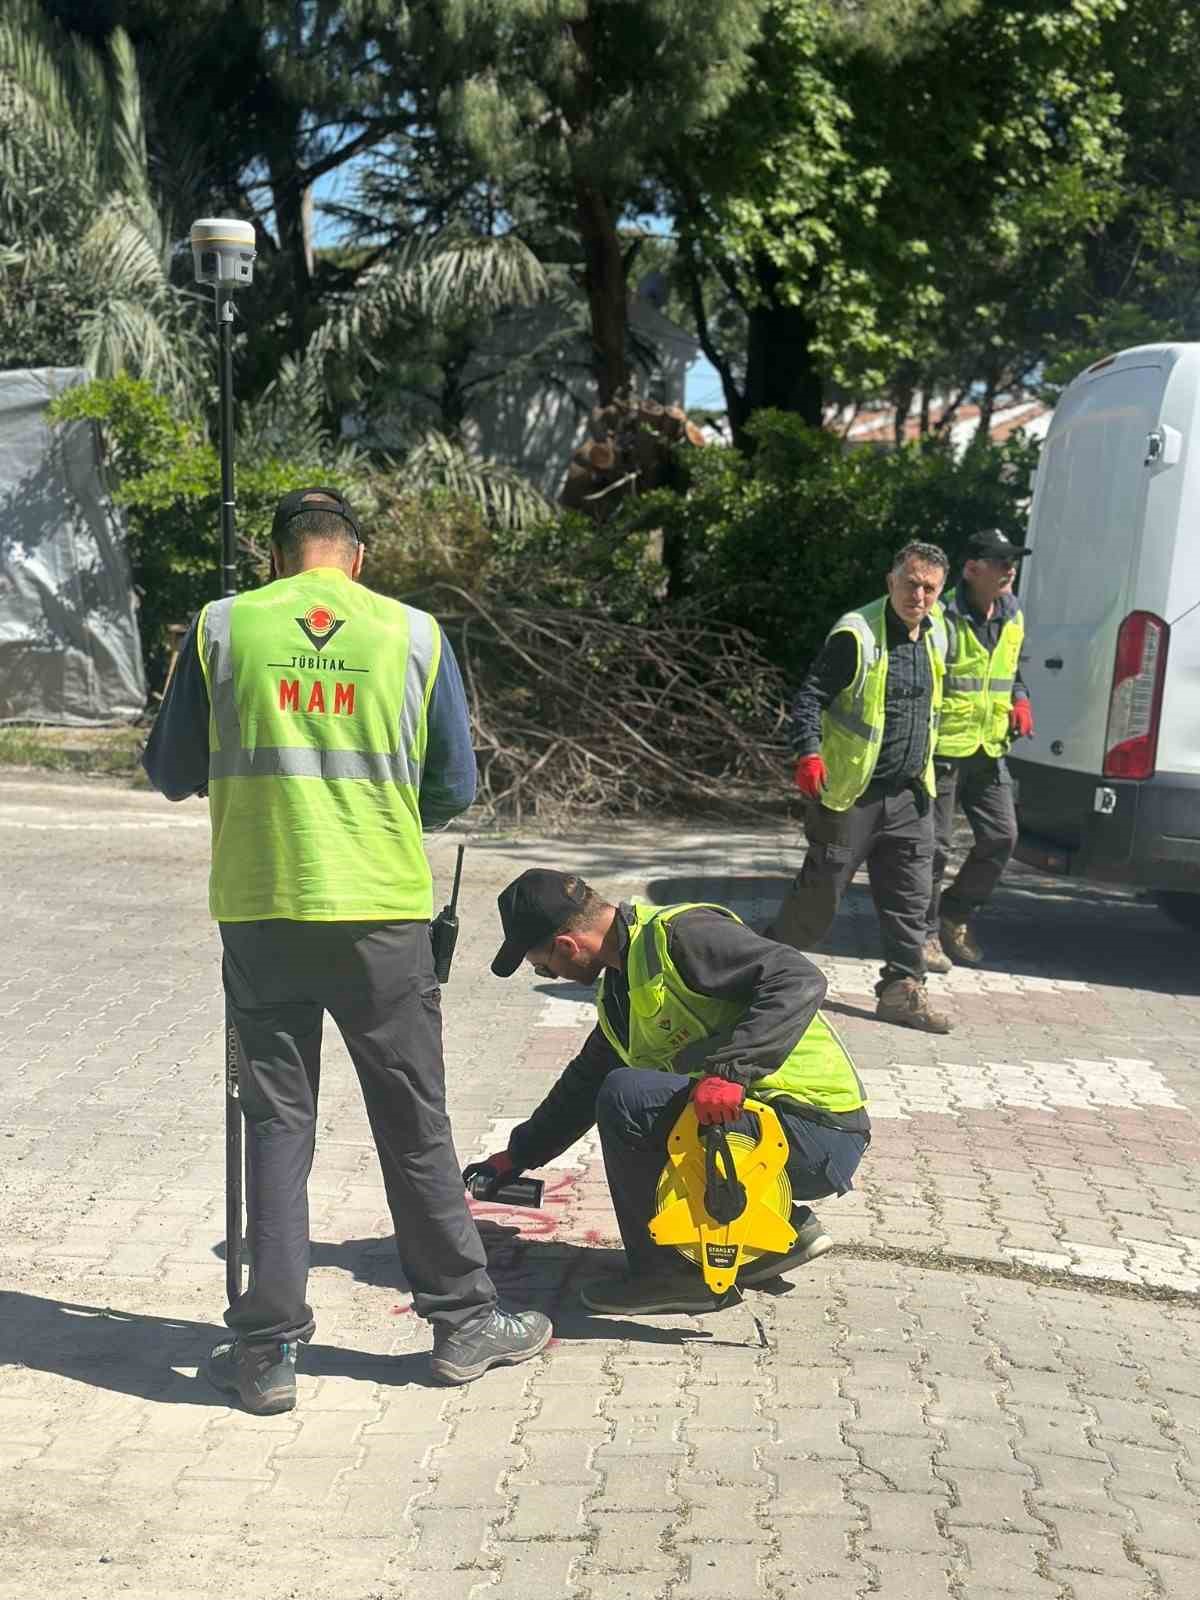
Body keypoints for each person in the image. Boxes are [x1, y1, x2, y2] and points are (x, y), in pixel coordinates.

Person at [142, 486, 549, 1414]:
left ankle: (267, 1351)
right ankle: (461, 1325)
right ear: (356, 560)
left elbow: (170, 772)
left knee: (276, 1124)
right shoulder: (412, 635)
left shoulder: (221, 626)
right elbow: (452, 783)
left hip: (262, 913)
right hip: (381, 916)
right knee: (414, 1120)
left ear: (279, 560)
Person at [465, 869, 870, 1316]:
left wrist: (732, 1072)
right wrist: (519, 1154)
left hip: (815, 1130)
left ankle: (672, 1275)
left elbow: (797, 977)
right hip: (762, 1130)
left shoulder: (681, 936)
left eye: (542, 964)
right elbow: (583, 1085)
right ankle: (781, 1233)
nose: (546, 972)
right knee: (622, 1090)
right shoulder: (622, 988)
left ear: (568, 945)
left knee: (628, 1096)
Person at [764, 541, 952, 1033]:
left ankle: (902, 990)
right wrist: (807, 751)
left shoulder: (938, 635)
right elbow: (810, 698)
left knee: (912, 897)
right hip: (851, 794)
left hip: (910, 793)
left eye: (929, 587)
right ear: (891, 581)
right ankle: (757, 971)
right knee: (819, 898)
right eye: (910, 583)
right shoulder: (857, 635)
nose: (919, 595)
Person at [923, 529, 1033, 972]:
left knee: (1002, 836)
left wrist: (1021, 700)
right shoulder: (941, 615)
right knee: (933, 848)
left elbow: (1013, 671)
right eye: (1001, 561)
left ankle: (955, 914)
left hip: (989, 749)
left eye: (1013, 561)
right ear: (972, 569)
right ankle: (924, 935)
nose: (1010, 569)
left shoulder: (1013, 612)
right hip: (945, 749)